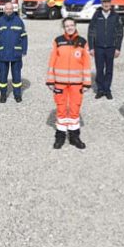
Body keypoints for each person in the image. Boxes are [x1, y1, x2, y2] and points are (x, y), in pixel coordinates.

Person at [46, 17, 92, 150]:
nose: (70, 28)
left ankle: (74, 137)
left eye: (72, 25)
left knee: (74, 109)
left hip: (77, 84)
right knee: (61, 109)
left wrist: (87, 83)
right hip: (59, 83)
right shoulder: (58, 41)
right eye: (67, 26)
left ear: (75, 26)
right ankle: (60, 136)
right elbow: (52, 60)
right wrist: (50, 80)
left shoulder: (82, 42)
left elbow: (86, 64)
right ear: (64, 28)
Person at [88, 0, 124, 100]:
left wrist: (118, 48)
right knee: (99, 69)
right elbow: (91, 32)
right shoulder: (96, 15)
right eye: (104, 2)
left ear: (111, 3)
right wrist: (91, 47)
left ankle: (107, 89)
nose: (106, 4)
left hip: (110, 47)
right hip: (98, 47)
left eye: (108, 2)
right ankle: (100, 89)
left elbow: (120, 33)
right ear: (102, 3)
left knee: (109, 69)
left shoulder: (115, 16)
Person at [0, 2, 27, 103]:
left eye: (10, 9)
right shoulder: (0, 21)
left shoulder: (19, 21)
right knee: (2, 76)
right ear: (4, 9)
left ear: (13, 9)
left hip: (16, 54)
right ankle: (3, 95)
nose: (8, 10)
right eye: (7, 9)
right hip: (2, 54)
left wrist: (24, 50)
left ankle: (17, 95)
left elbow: (24, 37)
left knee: (16, 76)